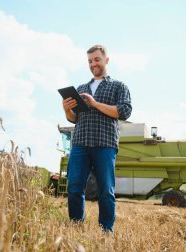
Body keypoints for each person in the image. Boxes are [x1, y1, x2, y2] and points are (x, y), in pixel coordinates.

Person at [61, 45, 132, 233]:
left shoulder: (118, 86)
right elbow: (74, 119)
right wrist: (66, 108)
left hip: (105, 144)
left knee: (106, 191)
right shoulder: (81, 88)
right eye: (90, 61)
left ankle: (106, 232)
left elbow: (123, 112)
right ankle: (76, 227)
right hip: (80, 144)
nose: (94, 64)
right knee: (74, 187)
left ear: (106, 60)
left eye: (97, 60)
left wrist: (94, 103)